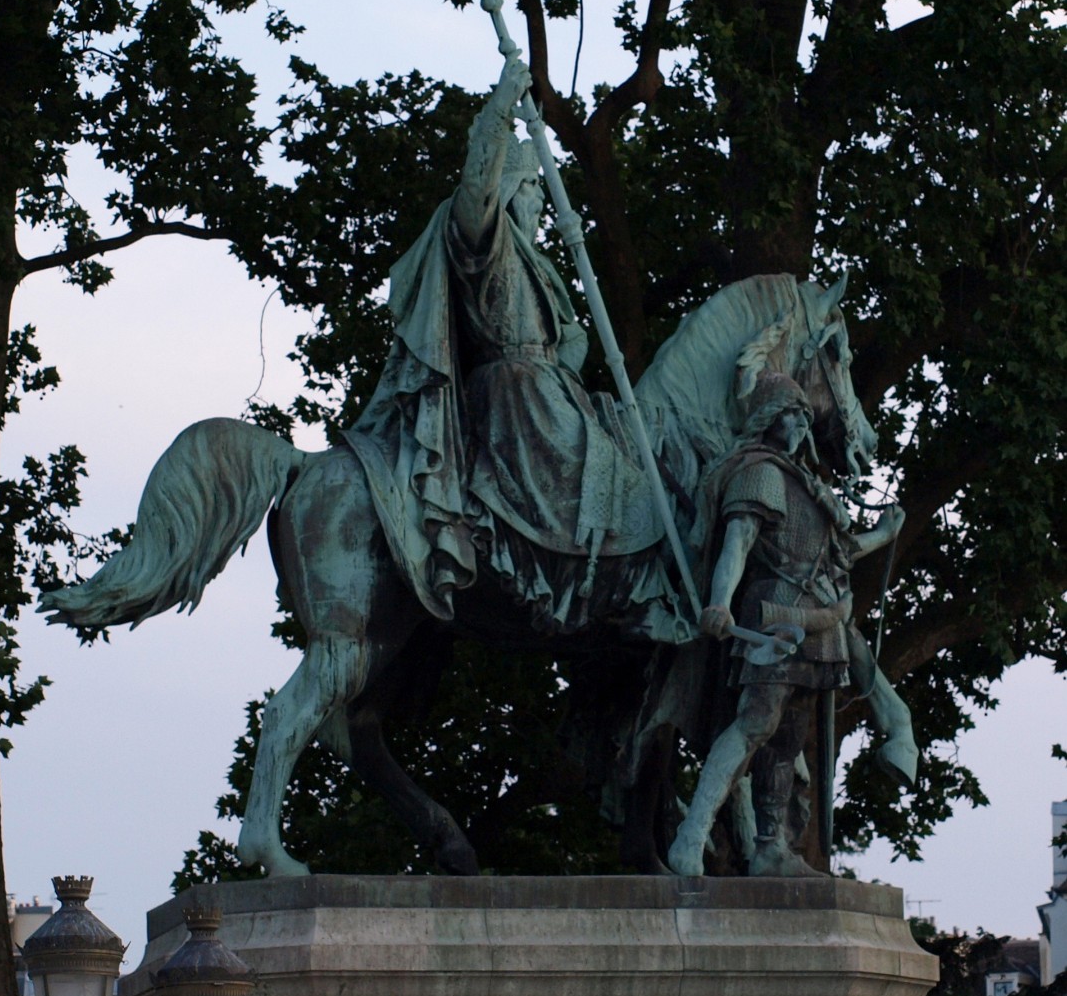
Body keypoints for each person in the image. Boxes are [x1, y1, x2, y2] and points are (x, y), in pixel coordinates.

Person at [346, 53, 661, 630]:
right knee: (613, 476)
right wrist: (497, 115)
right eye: (533, 191)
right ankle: (581, 581)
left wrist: (571, 345)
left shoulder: (537, 264)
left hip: (550, 389)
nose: (542, 203)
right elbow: (475, 188)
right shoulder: (488, 242)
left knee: (632, 451)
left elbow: (564, 339)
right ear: (511, 192)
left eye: (544, 194)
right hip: (519, 399)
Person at [667, 372, 906, 877]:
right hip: (774, 615)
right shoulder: (760, 474)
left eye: (804, 416)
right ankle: (693, 831)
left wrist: (883, 535)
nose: (800, 424)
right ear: (769, 419)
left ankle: (771, 845)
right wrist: (719, 603)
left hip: (821, 626)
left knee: (787, 741)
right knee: (757, 722)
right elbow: (737, 544)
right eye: (791, 414)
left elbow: (839, 554)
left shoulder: (807, 486)